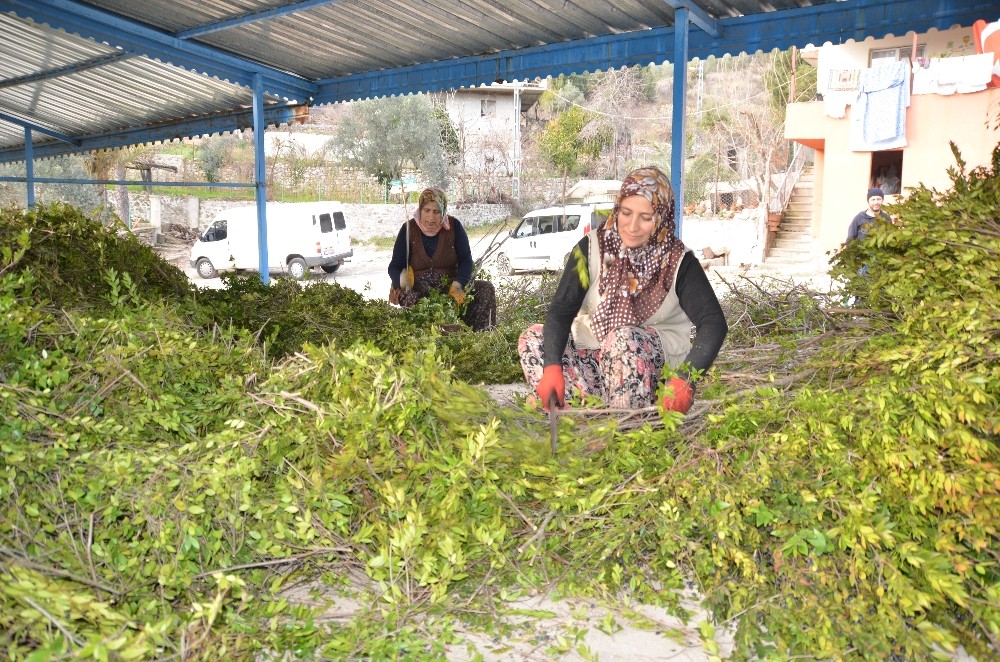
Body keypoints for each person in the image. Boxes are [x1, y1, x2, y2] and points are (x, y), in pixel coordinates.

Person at [518, 166, 728, 414]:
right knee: (534, 338)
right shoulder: (591, 248)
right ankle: (583, 406)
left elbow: (713, 323)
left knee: (623, 338)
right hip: (596, 353)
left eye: (646, 217)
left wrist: (686, 379)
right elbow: (561, 311)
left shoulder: (678, 262)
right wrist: (552, 366)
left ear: (661, 217)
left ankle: (622, 424)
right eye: (626, 213)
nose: (632, 226)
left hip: (649, 365)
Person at [388, 187, 497, 331]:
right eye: (426, 210)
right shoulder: (408, 229)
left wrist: (458, 284)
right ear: (420, 209)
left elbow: (466, 260)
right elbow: (395, 265)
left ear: (443, 211)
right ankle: (432, 335)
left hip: (449, 286)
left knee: (485, 288)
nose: (431, 218)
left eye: (436, 212)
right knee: (412, 298)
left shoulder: (454, 226)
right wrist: (398, 282)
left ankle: (481, 337)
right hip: (418, 288)